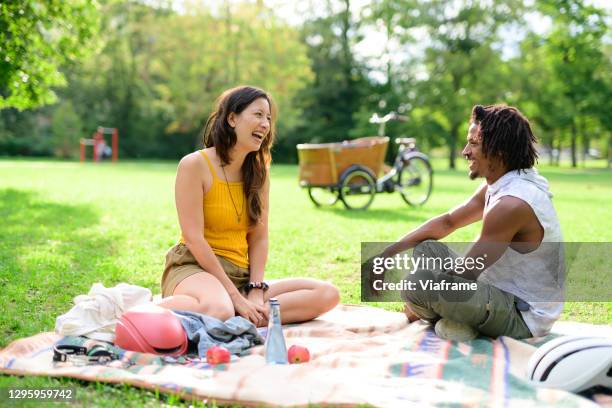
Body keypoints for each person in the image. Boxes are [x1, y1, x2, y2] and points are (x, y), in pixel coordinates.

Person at [372, 104, 563, 341]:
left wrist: (420, 297)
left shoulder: (512, 204)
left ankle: (460, 322)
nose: (465, 151)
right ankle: (459, 320)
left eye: (473, 143)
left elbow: (467, 273)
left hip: (522, 316)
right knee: (427, 248)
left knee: (417, 285)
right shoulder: (502, 183)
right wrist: (385, 254)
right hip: (496, 292)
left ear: (498, 151)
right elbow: (448, 222)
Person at [158, 86, 339, 327]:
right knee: (219, 307)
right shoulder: (194, 165)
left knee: (327, 294)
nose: (265, 124)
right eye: (258, 115)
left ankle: (240, 311)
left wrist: (255, 289)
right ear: (232, 118)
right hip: (195, 268)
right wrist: (234, 296)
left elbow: (259, 237)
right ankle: (140, 313)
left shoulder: (259, 172)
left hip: (240, 277)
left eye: (269, 118)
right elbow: (194, 238)